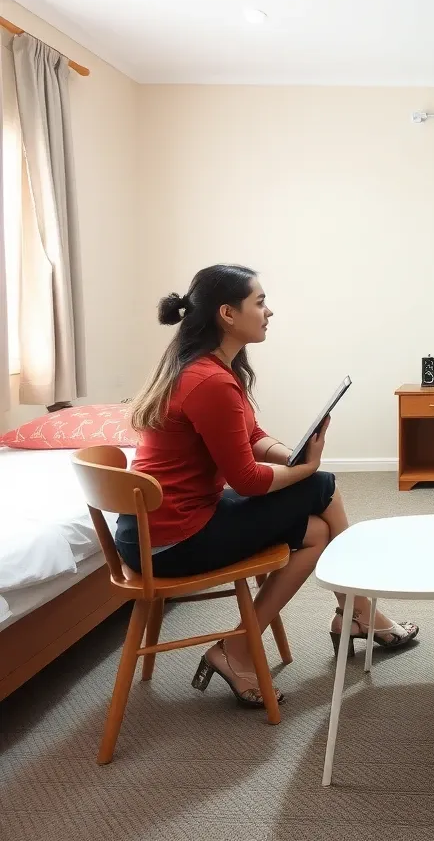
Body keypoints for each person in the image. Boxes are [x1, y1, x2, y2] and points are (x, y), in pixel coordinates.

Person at [118, 264, 418, 709]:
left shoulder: (209, 368)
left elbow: (253, 436)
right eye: (259, 302)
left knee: (316, 533)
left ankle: (302, 630)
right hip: (171, 540)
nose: (268, 311)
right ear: (227, 314)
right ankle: (355, 614)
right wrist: (308, 468)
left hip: (155, 528)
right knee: (323, 485)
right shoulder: (211, 381)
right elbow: (248, 481)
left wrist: (291, 453)